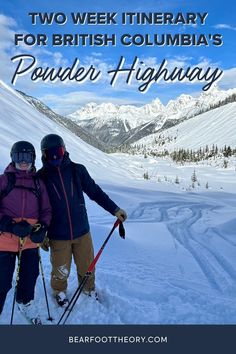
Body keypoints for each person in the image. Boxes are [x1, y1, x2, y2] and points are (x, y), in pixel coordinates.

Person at [38, 134, 127, 306]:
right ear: (44, 155)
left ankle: (88, 289)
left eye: (59, 151)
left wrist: (114, 209)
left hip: (82, 231)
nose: (55, 157)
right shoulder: (41, 177)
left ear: (64, 150)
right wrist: (41, 233)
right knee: (60, 269)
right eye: (51, 154)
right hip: (57, 234)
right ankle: (59, 291)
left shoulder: (77, 170)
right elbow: (38, 207)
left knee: (87, 266)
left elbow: (95, 192)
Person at [0, 141, 51, 324]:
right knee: (2, 281)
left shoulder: (38, 183)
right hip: (5, 240)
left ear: (33, 159)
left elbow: (46, 210)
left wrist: (43, 228)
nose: (23, 161)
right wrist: (9, 225)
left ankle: (25, 302)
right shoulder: (4, 180)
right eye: (19, 157)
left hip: (30, 240)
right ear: (13, 158)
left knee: (29, 277)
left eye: (27, 157)